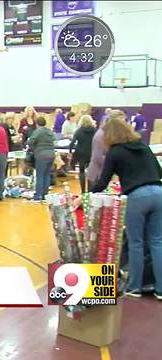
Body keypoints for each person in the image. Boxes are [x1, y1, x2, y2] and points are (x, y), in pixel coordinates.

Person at [88, 112, 162, 299]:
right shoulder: (144, 147)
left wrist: (88, 195)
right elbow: (159, 171)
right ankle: (160, 289)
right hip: (158, 193)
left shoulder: (115, 151)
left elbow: (103, 181)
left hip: (137, 196)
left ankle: (134, 287)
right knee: (157, 241)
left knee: (135, 243)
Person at [28, 117, 56, 202]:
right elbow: (54, 140)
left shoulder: (38, 131)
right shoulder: (49, 131)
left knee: (40, 176)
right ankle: (45, 195)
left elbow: (30, 142)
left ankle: (37, 196)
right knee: (46, 175)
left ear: (37, 124)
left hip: (41, 155)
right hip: (51, 154)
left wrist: (33, 147)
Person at [69, 115, 96, 192]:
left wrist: (70, 151)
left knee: (81, 171)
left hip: (80, 153)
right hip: (91, 153)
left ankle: (83, 190)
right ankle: (90, 190)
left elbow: (72, 143)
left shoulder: (79, 131)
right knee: (91, 171)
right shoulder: (95, 130)